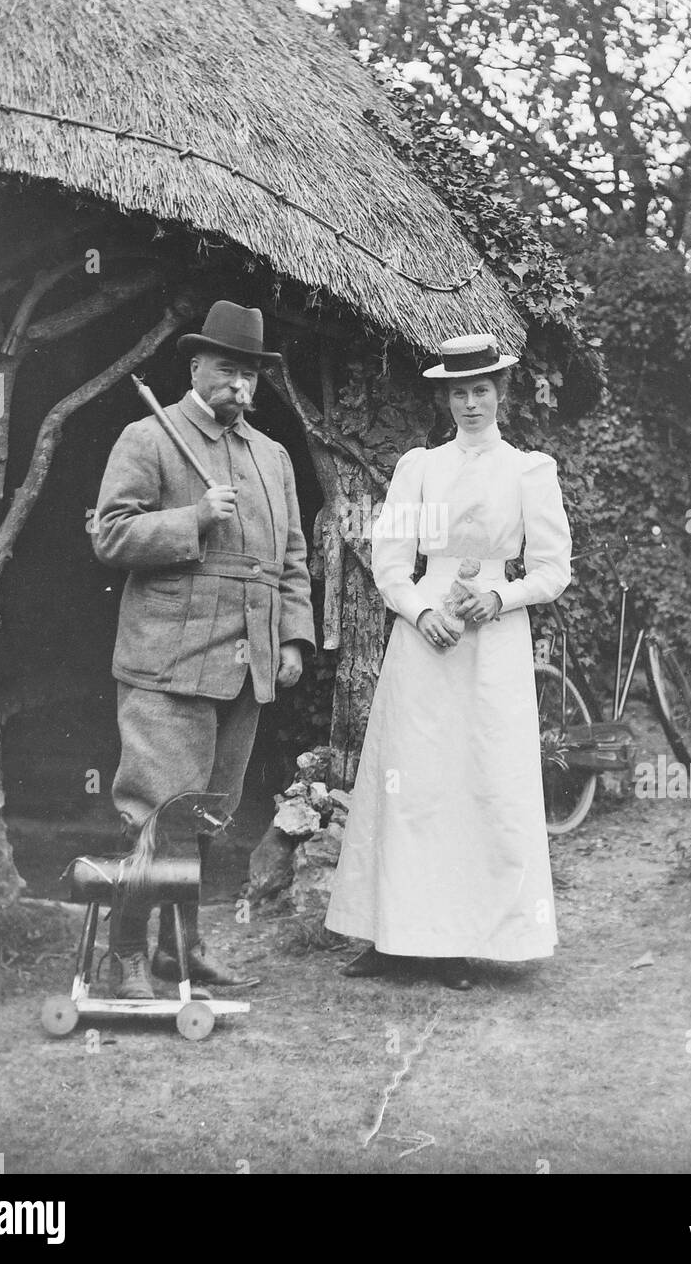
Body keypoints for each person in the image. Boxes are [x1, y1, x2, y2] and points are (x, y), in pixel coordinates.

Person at [325, 333, 572, 990]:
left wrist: (499, 597)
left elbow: (553, 570)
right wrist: (418, 611)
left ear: (500, 394)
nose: (470, 403)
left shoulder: (528, 472)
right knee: (411, 783)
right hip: (426, 640)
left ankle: (459, 941)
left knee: (479, 781)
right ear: (445, 398)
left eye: (481, 390)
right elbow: (389, 561)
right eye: (459, 392)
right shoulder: (421, 468)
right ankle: (393, 935)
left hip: (493, 643)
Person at [94, 300, 315, 998]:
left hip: (246, 664)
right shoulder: (149, 437)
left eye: (250, 374)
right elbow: (110, 534)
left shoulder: (272, 457)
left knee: (206, 816)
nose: (239, 385)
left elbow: (291, 559)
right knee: (157, 811)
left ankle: (180, 950)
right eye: (225, 369)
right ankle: (125, 956)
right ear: (195, 367)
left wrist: (293, 637)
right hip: (168, 661)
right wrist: (192, 518)